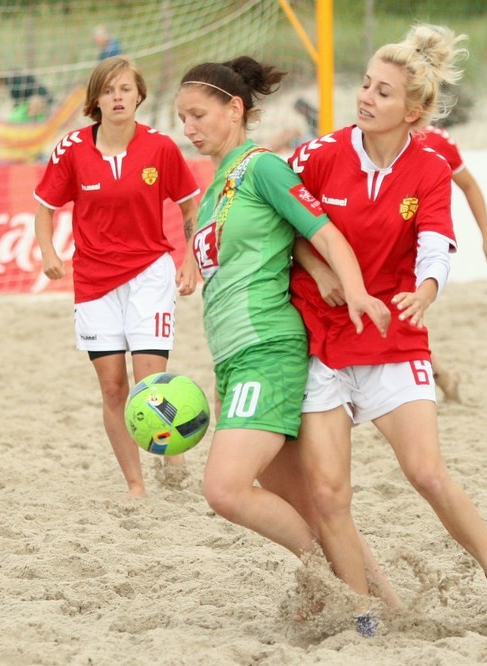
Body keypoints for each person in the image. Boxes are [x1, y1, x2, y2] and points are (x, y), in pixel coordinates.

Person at [283, 23, 487, 625]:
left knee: (426, 472)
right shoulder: (318, 154)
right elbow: (282, 223)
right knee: (329, 494)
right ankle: (362, 614)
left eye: (382, 92)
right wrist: (318, 266)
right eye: (365, 84)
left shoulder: (431, 167)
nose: (365, 97)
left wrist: (426, 290)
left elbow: (436, 242)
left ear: (412, 112)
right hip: (323, 339)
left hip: (392, 334)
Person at [174, 55, 390, 626]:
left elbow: (324, 231)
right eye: (182, 118)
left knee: (224, 490)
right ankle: (387, 608)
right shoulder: (215, 186)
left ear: (234, 109)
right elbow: (269, 244)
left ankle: (331, 584)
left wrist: (354, 289)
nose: (188, 127)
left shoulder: (262, 167)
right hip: (233, 359)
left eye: (198, 115)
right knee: (307, 505)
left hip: (267, 349)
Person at [34, 56, 200, 498]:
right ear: (96, 100)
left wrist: (190, 260)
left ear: (139, 95)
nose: (118, 97)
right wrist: (49, 251)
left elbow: (189, 207)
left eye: (125, 89)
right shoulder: (72, 149)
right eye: (108, 90)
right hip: (94, 282)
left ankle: (172, 453)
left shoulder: (160, 147)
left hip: (149, 274)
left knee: (149, 384)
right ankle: (135, 485)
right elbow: (44, 210)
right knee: (113, 388)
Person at [418, 122, 487, 401]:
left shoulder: (437, 140)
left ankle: (441, 378)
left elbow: (469, 185)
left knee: (404, 317)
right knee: (401, 321)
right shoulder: (369, 135)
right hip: (382, 242)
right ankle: (443, 377)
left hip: (419, 245)